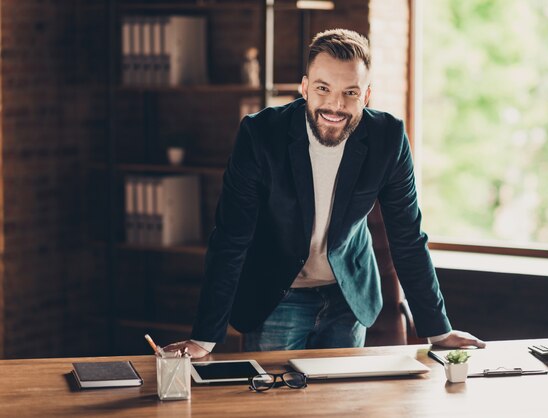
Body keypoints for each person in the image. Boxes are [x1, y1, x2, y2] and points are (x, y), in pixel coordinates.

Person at [165, 29, 485, 358]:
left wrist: (438, 330)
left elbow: (407, 235)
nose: (335, 104)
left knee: (339, 406)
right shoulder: (260, 135)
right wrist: (204, 338)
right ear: (304, 87)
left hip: (348, 297)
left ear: (367, 95)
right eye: (323, 88)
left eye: (350, 92)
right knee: (277, 405)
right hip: (279, 297)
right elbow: (231, 237)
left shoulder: (388, 139)